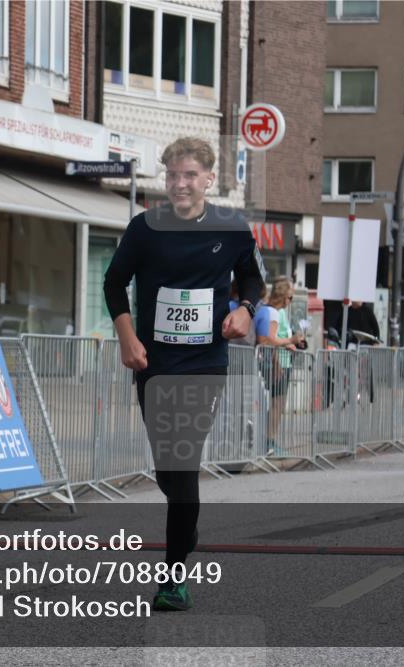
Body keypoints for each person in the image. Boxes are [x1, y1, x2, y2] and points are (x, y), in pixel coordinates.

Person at [103, 136, 265, 611]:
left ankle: (173, 579)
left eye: (190, 175)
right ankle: (186, 523)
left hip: (205, 363)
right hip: (153, 362)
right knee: (167, 468)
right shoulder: (144, 228)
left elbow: (252, 278)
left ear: (209, 179)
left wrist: (246, 310)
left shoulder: (231, 228)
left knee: (182, 459)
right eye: (172, 175)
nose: (180, 183)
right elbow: (115, 282)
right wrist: (127, 337)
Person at [256, 276, 304, 455]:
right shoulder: (273, 312)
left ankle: (268, 442)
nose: (291, 301)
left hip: (273, 361)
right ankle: (269, 443)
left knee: (276, 404)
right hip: (276, 363)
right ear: (283, 296)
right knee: (278, 404)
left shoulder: (264, 309)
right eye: (290, 297)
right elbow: (270, 340)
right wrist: (290, 340)